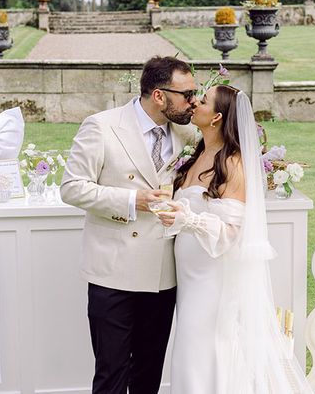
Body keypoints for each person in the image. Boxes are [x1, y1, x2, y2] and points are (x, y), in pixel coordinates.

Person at [157, 84, 312, 393]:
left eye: (201, 101)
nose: (193, 103)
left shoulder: (233, 163)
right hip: (189, 277)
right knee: (189, 350)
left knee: (205, 352)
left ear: (216, 117)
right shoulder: (198, 154)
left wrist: (187, 219)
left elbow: (232, 234)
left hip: (213, 279)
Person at [60, 56, 198, 394]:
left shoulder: (189, 133)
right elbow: (72, 187)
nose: (194, 101)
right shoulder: (102, 126)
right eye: (187, 94)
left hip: (163, 273)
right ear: (159, 96)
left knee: (148, 375)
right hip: (113, 272)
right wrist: (130, 201)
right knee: (111, 374)